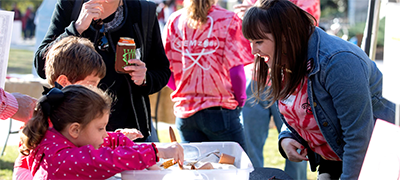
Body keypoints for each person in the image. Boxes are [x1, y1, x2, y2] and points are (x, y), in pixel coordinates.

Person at [242, 0, 395, 179]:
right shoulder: (286, 56)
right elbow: (300, 108)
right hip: (334, 158)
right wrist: (287, 137)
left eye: (259, 41)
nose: (253, 50)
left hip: (376, 158)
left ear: (285, 35)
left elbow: (358, 139)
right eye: (251, 42)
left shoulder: (338, 62)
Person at [34, 0, 171, 142]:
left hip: (131, 131)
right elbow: (42, 65)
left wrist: (145, 78)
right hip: (78, 132)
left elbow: (162, 71)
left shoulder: (143, 10)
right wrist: (76, 28)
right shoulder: (71, 5)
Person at [19, 85, 184, 179]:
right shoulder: (62, 160)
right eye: (100, 128)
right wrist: (157, 151)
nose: (105, 133)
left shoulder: (55, 140)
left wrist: (120, 139)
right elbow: (106, 159)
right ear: (75, 129)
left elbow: (105, 141)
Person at [234, 0, 320, 179]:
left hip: (290, 78)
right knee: (250, 145)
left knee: (297, 142)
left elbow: (303, 25)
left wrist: (258, 18)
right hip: (255, 77)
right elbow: (243, 40)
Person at [13, 36, 109, 180]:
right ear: (64, 82)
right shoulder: (46, 120)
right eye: (90, 84)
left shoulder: (79, 115)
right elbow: (23, 167)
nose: (95, 90)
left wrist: (119, 138)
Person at [163, 0, 253, 150]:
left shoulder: (175, 20)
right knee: (236, 168)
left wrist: (182, 90)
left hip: (186, 113)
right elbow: (236, 70)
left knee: (197, 170)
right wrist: (241, 99)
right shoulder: (228, 19)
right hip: (220, 109)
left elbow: (165, 70)